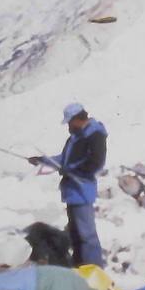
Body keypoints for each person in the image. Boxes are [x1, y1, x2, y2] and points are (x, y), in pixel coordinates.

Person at [28, 102, 108, 267]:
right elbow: (64, 159)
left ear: (78, 119)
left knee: (87, 235)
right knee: (76, 233)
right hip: (72, 191)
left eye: (70, 122)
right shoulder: (75, 137)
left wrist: (72, 170)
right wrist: (43, 161)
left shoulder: (95, 136)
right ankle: (80, 266)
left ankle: (94, 269)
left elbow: (95, 163)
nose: (69, 126)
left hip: (82, 190)